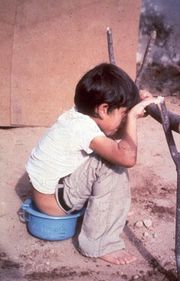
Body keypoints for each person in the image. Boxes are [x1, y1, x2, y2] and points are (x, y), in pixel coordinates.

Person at [26, 63, 159, 265]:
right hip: (55, 202)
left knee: (111, 154)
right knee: (111, 165)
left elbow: (115, 135)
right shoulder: (82, 128)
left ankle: (104, 213)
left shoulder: (78, 117)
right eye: (123, 114)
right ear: (103, 109)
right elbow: (127, 157)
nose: (124, 119)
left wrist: (131, 109)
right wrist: (132, 116)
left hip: (48, 195)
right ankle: (99, 244)